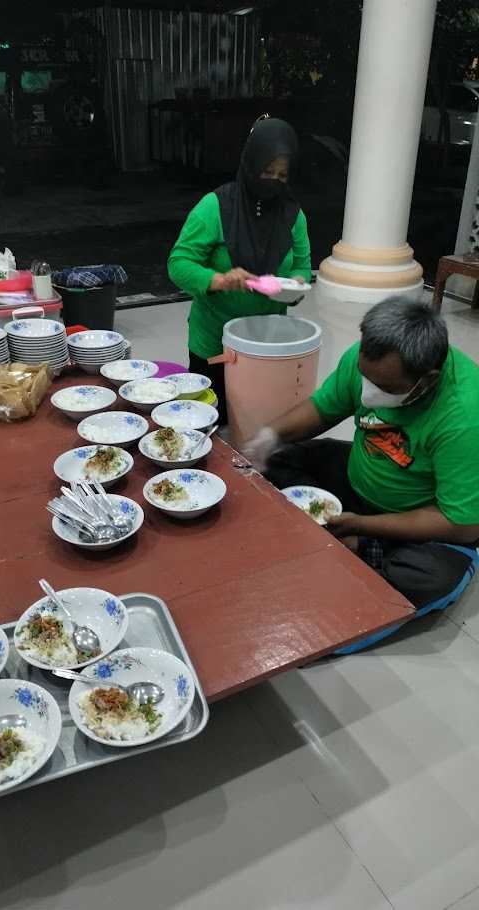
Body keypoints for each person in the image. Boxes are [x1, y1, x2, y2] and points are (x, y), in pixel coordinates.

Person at [245, 298, 479, 648]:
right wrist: (268, 436)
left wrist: (359, 524)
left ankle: (358, 546)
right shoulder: (372, 358)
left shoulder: (464, 416)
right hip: (360, 480)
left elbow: (462, 524)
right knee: (280, 460)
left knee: (430, 576)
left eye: (384, 388)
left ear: (427, 380)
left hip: (424, 519)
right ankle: (350, 545)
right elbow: (323, 409)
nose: (368, 394)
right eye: (365, 377)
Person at [167, 116, 312, 423]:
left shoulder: (292, 215)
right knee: (211, 423)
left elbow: (302, 265)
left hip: (266, 346)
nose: (272, 181)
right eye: (266, 171)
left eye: (282, 175)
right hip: (214, 342)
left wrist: (297, 284)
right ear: (250, 163)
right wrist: (217, 279)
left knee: (255, 422)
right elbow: (178, 264)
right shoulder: (216, 207)